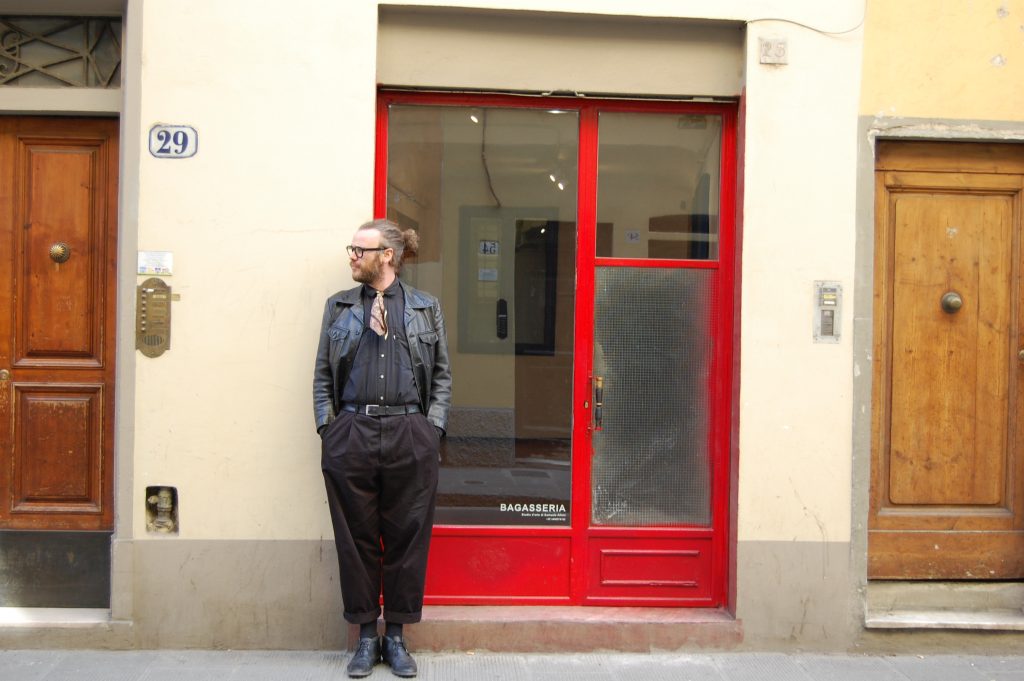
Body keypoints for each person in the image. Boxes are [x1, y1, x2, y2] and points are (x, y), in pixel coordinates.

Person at [313, 219, 451, 678]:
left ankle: (396, 636)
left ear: (387, 256)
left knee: (408, 538)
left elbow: (442, 375)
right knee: (355, 540)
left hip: (410, 431)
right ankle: (365, 637)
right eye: (352, 249)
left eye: (360, 249)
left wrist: (432, 429)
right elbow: (322, 374)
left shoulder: (425, 308)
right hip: (351, 430)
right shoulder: (339, 307)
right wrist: (328, 428)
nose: (352, 256)